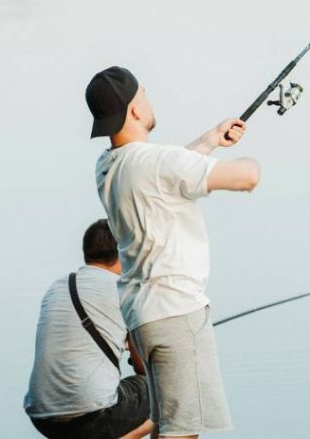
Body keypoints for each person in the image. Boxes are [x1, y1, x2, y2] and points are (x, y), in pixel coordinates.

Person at [85, 66, 260, 439]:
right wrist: (251, 163)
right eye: (144, 93)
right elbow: (246, 179)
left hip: (142, 317)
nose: (149, 100)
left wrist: (210, 140)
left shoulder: (107, 166)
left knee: (166, 425)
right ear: (134, 109)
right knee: (182, 432)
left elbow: (164, 173)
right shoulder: (156, 163)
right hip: (178, 313)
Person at [24, 220, 153, 439]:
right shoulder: (126, 290)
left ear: (87, 253)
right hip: (92, 416)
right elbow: (143, 368)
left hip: (43, 417)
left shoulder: (57, 287)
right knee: (166, 388)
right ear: (124, 251)